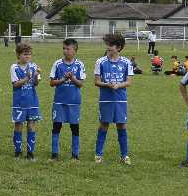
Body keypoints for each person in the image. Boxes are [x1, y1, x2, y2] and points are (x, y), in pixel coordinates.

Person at [94, 32, 133, 165]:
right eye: (108, 45)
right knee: (104, 124)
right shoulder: (100, 61)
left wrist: (118, 85)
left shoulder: (126, 62)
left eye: (111, 45)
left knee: (122, 125)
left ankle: (124, 155)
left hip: (120, 99)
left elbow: (129, 82)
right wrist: (107, 84)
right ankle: (98, 155)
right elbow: (96, 81)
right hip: (106, 99)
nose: (108, 47)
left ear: (119, 47)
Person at [49, 38, 85, 161]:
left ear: (75, 50)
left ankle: (75, 154)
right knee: (56, 126)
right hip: (59, 101)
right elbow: (51, 83)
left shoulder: (79, 65)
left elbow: (81, 84)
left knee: (74, 127)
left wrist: (73, 78)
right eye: (64, 48)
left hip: (74, 102)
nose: (65, 51)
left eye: (68, 49)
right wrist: (63, 79)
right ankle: (54, 154)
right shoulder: (57, 64)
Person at [10, 43, 41, 160]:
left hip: (32, 101)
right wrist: (27, 78)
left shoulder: (34, 66)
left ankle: (30, 152)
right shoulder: (14, 67)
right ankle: (18, 151)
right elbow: (15, 84)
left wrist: (36, 76)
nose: (27, 56)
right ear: (18, 55)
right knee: (18, 125)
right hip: (19, 102)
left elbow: (36, 84)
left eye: (29, 54)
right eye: (25, 54)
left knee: (31, 125)